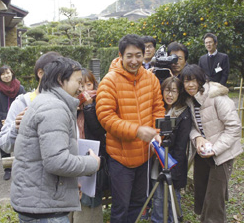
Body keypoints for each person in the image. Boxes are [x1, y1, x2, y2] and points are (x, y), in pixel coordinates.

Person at [11, 57, 101, 223]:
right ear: (61, 80)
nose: (81, 88)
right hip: (44, 209)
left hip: (40, 200)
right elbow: (56, 161)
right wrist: (92, 163)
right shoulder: (54, 108)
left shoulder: (47, 101)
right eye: (78, 82)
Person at [96, 34, 165, 223]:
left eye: (138, 55)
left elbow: (158, 109)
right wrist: (137, 130)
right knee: (121, 206)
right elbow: (106, 117)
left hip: (145, 155)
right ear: (120, 55)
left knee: (139, 202)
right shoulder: (109, 81)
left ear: (144, 56)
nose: (134, 61)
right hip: (121, 158)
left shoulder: (151, 80)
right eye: (129, 56)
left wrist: (156, 134)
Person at [180, 64, 243, 223]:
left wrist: (215, 149)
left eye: (194, 80)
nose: (191, 84)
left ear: (202, 80)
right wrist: (198, 138)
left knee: (215, 197)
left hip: (221, 153)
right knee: (202, 193)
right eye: (187, 81)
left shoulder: (217, 96)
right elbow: (192, 126)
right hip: (203, 152)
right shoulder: (190, 99)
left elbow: (234, 127)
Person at [0, 51, 61, 154]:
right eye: (57, 73)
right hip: (30, 168)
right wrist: (15, 127)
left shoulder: (65, 102)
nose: (62, 79)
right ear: (41, 73)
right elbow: (4, 145)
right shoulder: (22, 103)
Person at [150, 77, 192, 223]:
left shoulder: (184, 114)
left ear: (180, 92)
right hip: (157, 161)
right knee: (158, 198)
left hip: (174, 163)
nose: (170, 95)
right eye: (167, 90)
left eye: (174, 91)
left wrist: (173, 171)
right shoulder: (158, 109)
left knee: (172, 199)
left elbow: (181, 147)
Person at [71, 69, 108, 223]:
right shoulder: (68, 103)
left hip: (92, 157)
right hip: (72, 157)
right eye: (82, 85)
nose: (86, 90)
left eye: (89, 84)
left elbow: (99, 130)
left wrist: (89, 107)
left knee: (89, 200)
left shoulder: (99, 102)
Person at [0, 65, 25, 180]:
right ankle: (7, 169)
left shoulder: (20, 88)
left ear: (12, 73)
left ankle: (22, 167)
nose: (6, 76)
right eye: (3, 74)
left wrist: (11, 119)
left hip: (17, 120)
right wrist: (3, 119)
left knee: (21, 143)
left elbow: (24, 105)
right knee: (4, 145)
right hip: (0, 121)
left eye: (8, 73)